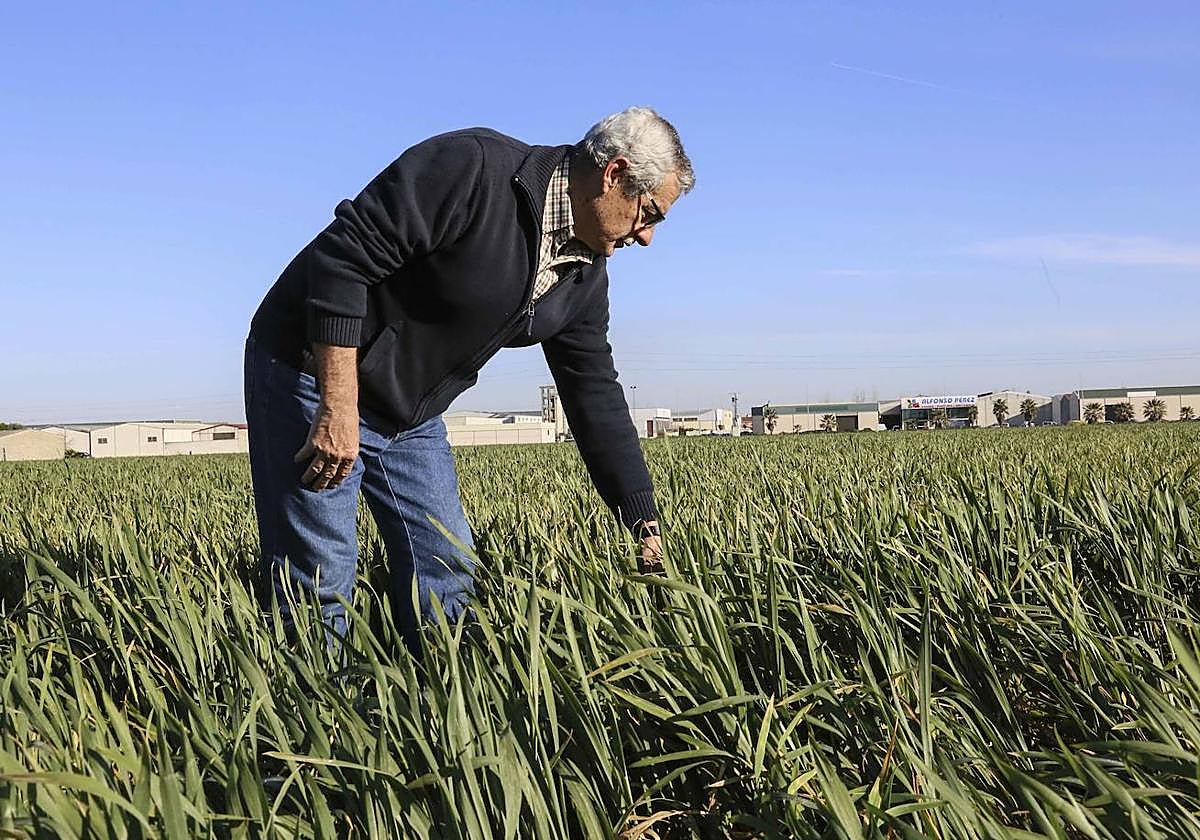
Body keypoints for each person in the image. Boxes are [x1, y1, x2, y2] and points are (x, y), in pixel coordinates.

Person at [244, 106, 694, 648]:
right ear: (614, 174)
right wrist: (337, 404)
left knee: (446, 561)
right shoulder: (473, 170)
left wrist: (641, 518)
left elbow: (592, 388)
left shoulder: (583, 274)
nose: (646, 237)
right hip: (314, 371)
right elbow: (343, 259)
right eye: (651, 214)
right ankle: (319, 718)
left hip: (410, 409)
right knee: (320, 573)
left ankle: (437, 703)